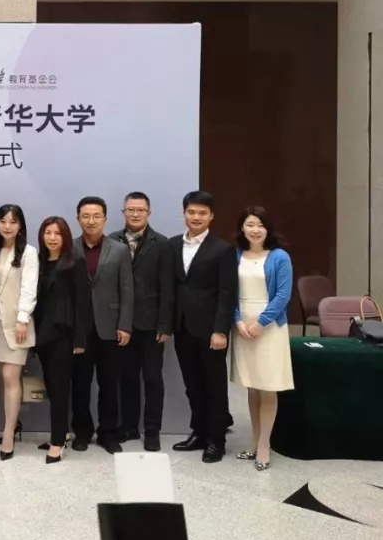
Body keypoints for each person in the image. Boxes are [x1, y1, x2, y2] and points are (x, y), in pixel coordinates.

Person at [169, 190, 237, 463]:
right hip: (182, 327)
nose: (196, 217)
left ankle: (216, 440)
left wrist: (220, 330)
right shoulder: (173, 245)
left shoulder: (222, 249)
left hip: (211, 331)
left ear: (211, 216)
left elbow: (227, 293)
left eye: (202, 213)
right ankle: (199, 432)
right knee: (192, 384)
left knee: (214, 386)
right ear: (184, 213)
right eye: (191, 212)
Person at [230, 206, 294, 471]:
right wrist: (238, 321)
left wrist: (261, 323)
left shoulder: (279, 256)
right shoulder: (235, 255)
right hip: (242, 326)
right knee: (252, 386)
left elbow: (283, 295)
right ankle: (254, 440)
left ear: (268, 229)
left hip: (270, 328)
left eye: (260, 225)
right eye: (250, 224)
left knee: (268, 386)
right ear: (242, 228)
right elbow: (229, 292)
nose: (255, 230)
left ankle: (265, 445)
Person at [110, 191, 174, 452]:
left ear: (149, 213)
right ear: (123, 212)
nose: (135, 214)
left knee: (152, 378)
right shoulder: (112, 240)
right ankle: (129, 427)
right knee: (126, 377)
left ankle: (152, 430)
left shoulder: (162, 243)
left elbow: (168, 288)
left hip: (151, 325)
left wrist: (165, 325)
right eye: (131, 210)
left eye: (140, 210)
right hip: (121, 323)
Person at [71, 196, 134, 455]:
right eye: (86, 216)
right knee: (80, 385)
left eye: (96, 216)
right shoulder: (69, 247)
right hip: (79, 329)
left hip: (110, 328)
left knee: (109, 385)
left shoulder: (119, 250)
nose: (91, 221)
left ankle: (109, 434)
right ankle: (82, 432)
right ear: (78, 219)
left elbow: (127, 290)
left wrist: (125, 325)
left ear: (105, 219)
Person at [33, 216, 90, 463]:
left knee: (59, 389)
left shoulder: (75, 262)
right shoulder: (38, 261)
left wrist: (80, 339)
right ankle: (61, 433)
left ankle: (57, 442)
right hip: (42, 334)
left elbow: (83, 302)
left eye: (57, 233)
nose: (52, 238)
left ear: (65, 236)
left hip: (63, 335)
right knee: (51, 387)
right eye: (48, 233)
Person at [0, 204, 38, 460]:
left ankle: (8, 434)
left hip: (17, 325)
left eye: (13, 221)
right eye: (3, 221)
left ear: (20, 226)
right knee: (4, 379)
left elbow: (29, 288)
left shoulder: (28, 252)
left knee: (11, 377)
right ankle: (13, 424)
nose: (7, 226)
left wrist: (22, 319)